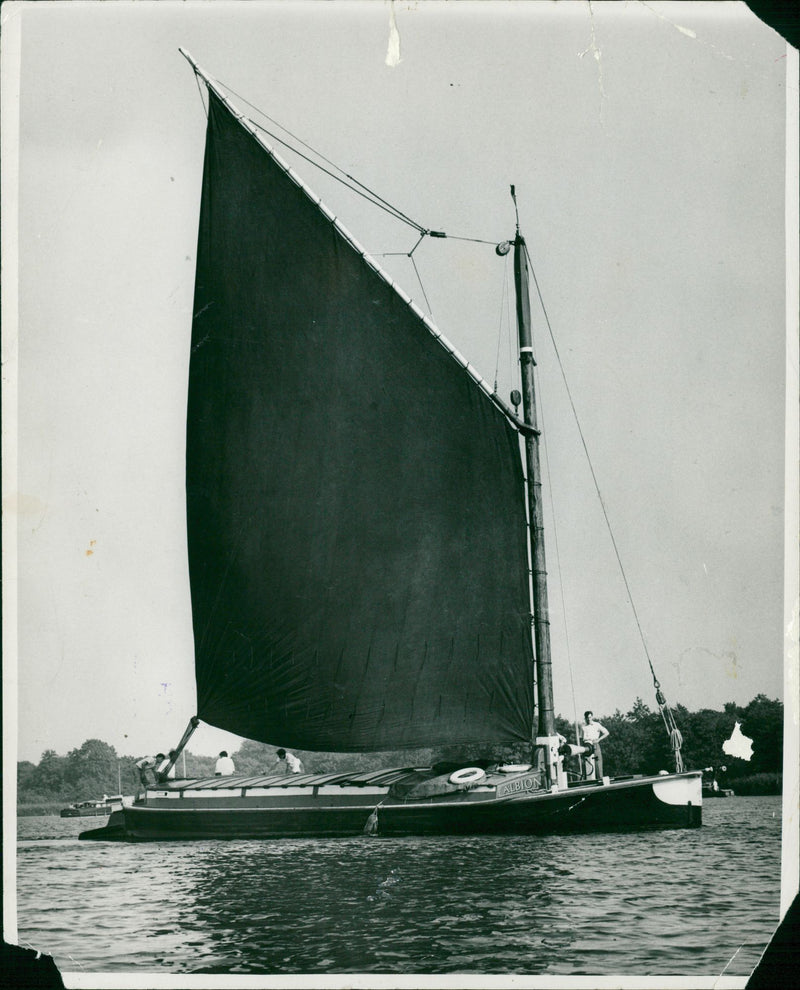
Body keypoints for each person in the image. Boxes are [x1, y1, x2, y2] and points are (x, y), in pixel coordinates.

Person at [580, 711, 610, 779]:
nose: (589, 719)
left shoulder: (596, 725)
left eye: (590, 717)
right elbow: (581, 738)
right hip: (585, 745)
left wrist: (598, 740)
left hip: (594, 744)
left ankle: (600, 779)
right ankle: (588, 781)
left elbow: (606, 733)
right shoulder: (583, 727)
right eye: (587, 718)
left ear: (592, 717)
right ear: (585, 718)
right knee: (587, 764)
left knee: (598, 763)